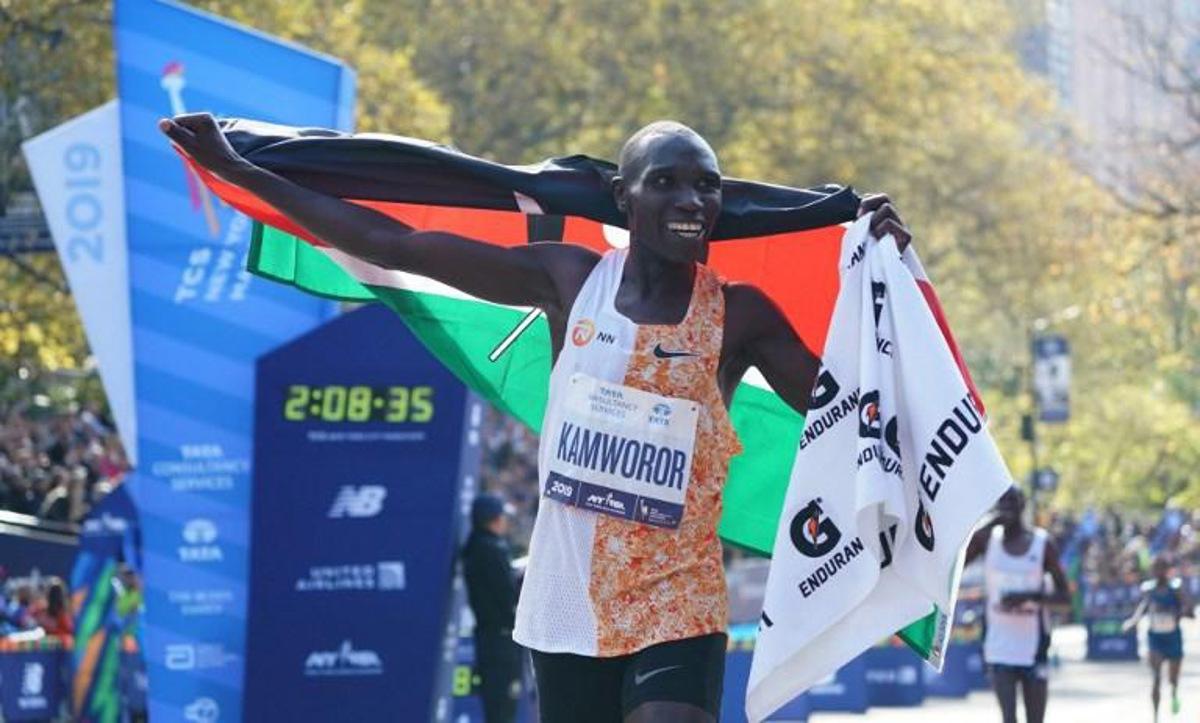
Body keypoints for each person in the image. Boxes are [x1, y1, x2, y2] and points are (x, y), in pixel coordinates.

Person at [160, 114, 911, 723]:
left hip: (679, 591)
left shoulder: (739, 312)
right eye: (668, 183)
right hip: (566, 593)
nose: (692, 201)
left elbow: (846, 407)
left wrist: (884, 277)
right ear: (625, 196)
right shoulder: (567, 278)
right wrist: (239, 170)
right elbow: (393, 242)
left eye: (707, 187)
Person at [965, 487, 1071, 723]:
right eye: (1002, 503)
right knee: (1008, 718)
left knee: (1035, 719)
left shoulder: (1043, 545)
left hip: (1035, 647)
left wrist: (1029, 597)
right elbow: (957, 563)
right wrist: (988, 524)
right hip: (998, 645)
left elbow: (1065, 599)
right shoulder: (987, 540)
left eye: (1012, 503)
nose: (1007, 509)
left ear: (1023, 505)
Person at [462, 493, 523, 723]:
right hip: (500, 643)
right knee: (502, 710)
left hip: (489, 640)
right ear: (494, 519)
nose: (505, 521)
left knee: (496, 709)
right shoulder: (490, 549)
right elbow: (506, 595)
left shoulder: (476, 546)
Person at [1124, 554, 1193, 719]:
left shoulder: (1175, 588)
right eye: (1156, 568)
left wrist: (1182, 612)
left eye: (1162, 568)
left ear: (1167, 570)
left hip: (1173, 637)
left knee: (1172, 678)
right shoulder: (1148, 589)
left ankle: (1174, 693)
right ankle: (1155, 717)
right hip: (1156, 638)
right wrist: (1133, 621)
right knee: (1155, 678)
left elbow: (1187, 606)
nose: (1159, 572)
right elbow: (1144, 606)